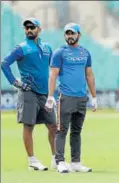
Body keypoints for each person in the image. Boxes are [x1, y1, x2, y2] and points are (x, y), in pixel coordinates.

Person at [1, 18, 57, 171]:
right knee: (29, 125)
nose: (29, 30)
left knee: (53, 125)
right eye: (26, 28)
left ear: (39, 29)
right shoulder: (21, 48)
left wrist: (54, 90)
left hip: (45, 93)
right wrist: (15, 82)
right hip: (28, 92)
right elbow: (4, 64)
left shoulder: (47, 48)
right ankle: (32, 161)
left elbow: (53, 69)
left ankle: (55, 158)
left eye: (32, 27)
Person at [45, 22, 97, 173]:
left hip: (81, 97)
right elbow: (53, 75)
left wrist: (94, 97)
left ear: (79, 35)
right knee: (61, 130)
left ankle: (76, 163)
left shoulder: (85, 53)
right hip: (65, 97)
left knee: (76, 131)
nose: (70, 36)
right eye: (67, 33)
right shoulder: (59, 52)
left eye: (72, 33)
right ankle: (60, 162)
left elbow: (89, 75)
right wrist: (50, 96)